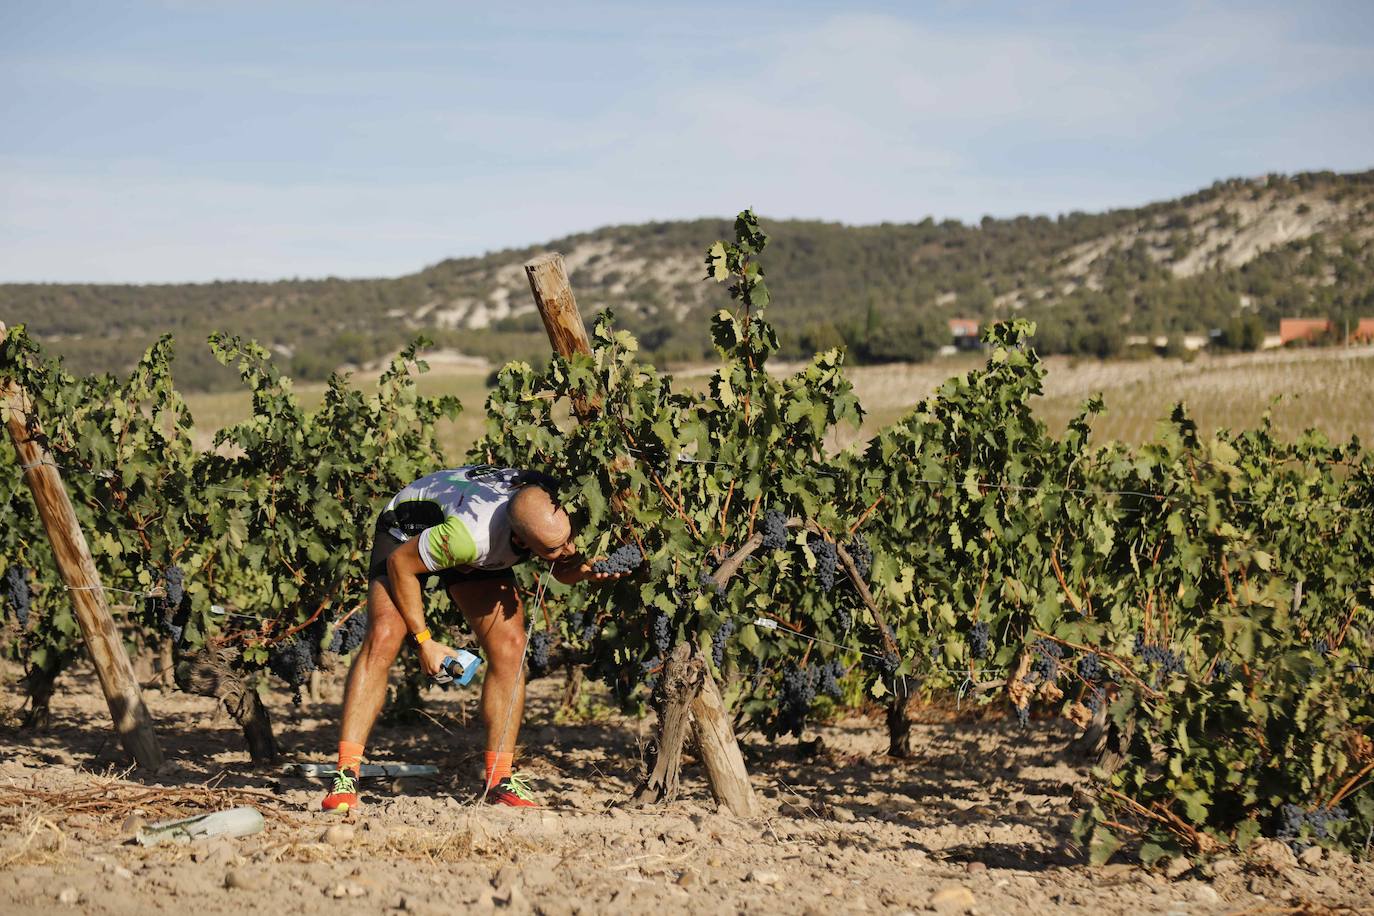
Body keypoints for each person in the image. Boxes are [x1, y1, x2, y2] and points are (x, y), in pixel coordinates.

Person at [321, 466, 628, 811]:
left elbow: (562, 568)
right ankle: (345, 775)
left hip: (468, 535)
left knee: (511, 647)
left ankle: (500, 779)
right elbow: (401, 565)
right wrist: (424, 641)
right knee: (384, 637)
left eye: (567, 539)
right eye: (556, 547)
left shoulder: (553, 507)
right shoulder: (472, 538)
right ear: (521, 540)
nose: (570, 548)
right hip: (408, 531)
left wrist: (584, 570)